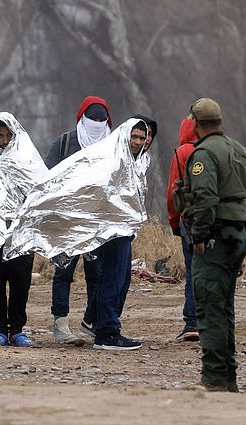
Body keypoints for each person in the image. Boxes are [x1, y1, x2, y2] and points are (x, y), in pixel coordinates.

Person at [182, 98, 246, 391]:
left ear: (196, 124)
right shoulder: (238, 149)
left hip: (215, 237)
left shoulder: (203, 154)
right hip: (238, 234)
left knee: (210, 306)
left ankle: (213, 378)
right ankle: (229, 377)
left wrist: (199, 236)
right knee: (225, 307)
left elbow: (206, 198)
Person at [44, 96, 112, 344]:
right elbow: (47, 177)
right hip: (67, 222)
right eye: (92, 119)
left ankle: (91, 320)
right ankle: (60, 323)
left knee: (98, 274)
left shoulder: (112, 146)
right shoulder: (64, 143)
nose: (96, 124)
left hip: (99, 222)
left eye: (100, 119)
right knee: (64, 273)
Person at [0, 113, 47, 347]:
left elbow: (40, 188)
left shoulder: (27, 159)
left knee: (20, 282)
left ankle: (17, 329)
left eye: (8, 136)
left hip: (21, 232)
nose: (4, 141)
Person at [93, 120, 148, 351]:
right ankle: (107, 333)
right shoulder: (113, 160)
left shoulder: (138, 161)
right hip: (112, 230)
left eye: (141, 138)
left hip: (125, 229)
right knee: (113, 281)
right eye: (133, 137)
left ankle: (106, 328)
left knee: (121, 281)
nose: (137, 142)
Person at [166, 115, 200, 342]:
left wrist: (174, 221)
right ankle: (222, 324)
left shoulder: (182, 153)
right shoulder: (219, 148)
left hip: (190, 222)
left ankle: (192, 324)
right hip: (220, 221)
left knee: (193, 271)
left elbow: (172, 192)